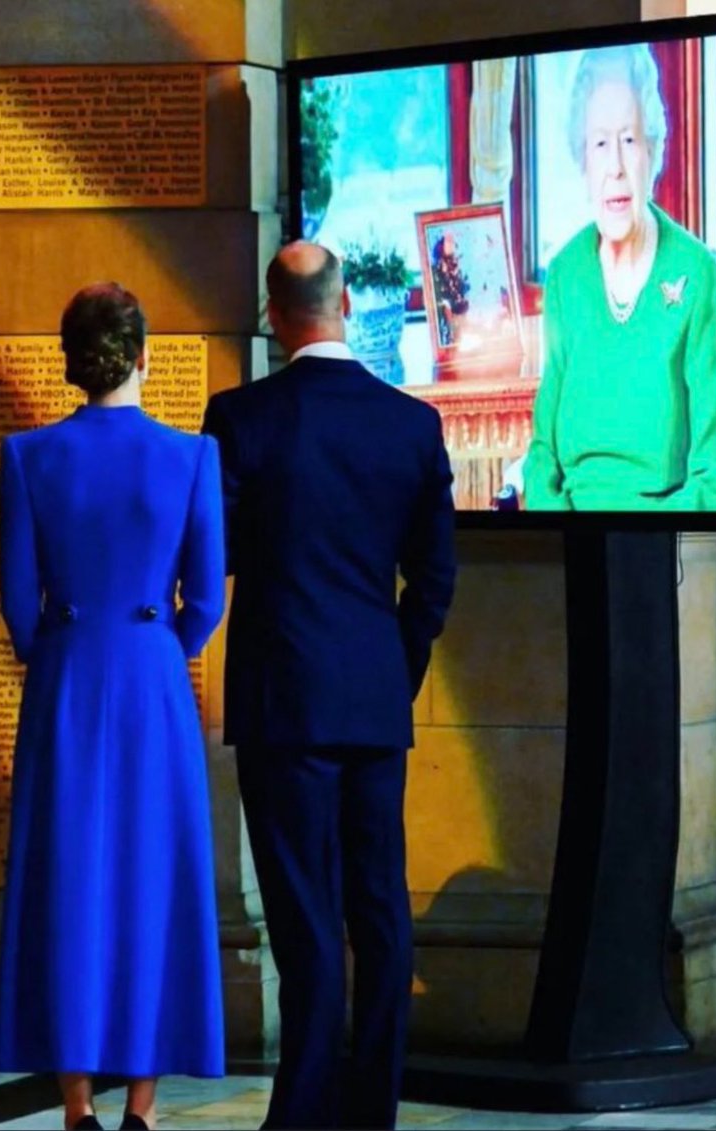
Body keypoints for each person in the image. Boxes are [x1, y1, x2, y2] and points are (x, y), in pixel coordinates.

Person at [202, 242, 457, 1130]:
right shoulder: (411, 425)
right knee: (379, 910)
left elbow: (217, 554)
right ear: (346, 303)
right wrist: (396, 666)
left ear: (276, 312)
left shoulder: (239, 418)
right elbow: (433, 581)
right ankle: (372, 1110)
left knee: (305, 915)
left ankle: (302, 1113)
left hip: (281, 702)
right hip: (372, 700)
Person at [0, 284, 225, 1131]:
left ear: (74, 359)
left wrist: (61, 645)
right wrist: (161, 645)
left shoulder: (27, 455)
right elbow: (205, 597)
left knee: (69, 876)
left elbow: (19, 602)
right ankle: (143, 1105)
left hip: (66, 674)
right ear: (142, 355)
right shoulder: (191, 456)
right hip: (152, 676)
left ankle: (75, 1103)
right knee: (152, 878)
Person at [523, 43, 716, 511]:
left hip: (656, 530)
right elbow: (541, 455)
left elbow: (715, 476)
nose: (614, 165)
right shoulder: (565, 275)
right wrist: (562, 525)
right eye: (599, 143)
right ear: (582, 159)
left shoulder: (695, 272)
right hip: (570, 531)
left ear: (653, 150)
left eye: (629, 140)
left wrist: (641, 531)